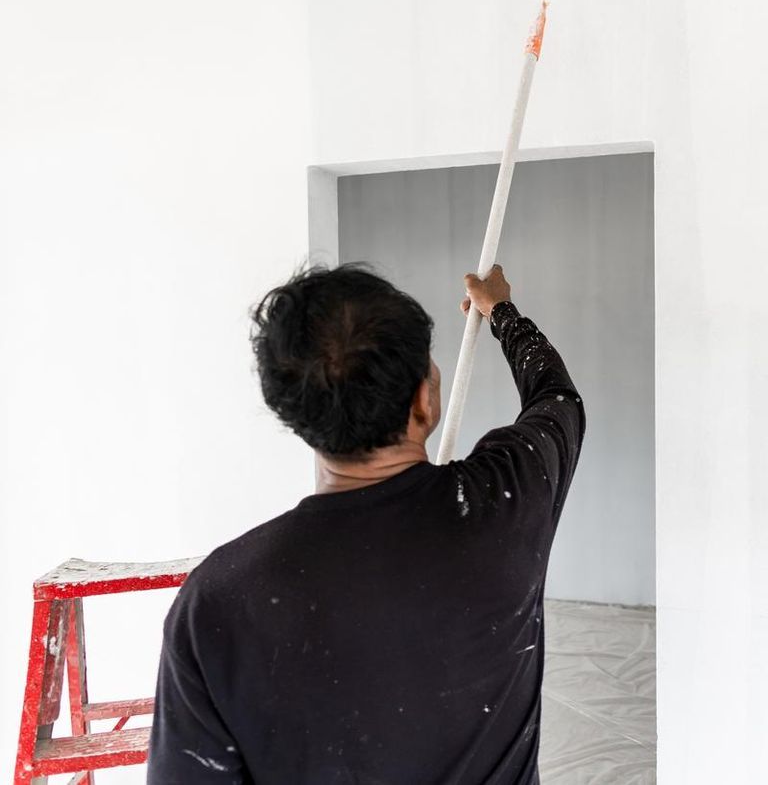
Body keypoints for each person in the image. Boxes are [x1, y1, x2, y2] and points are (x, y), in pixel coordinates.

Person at [147, 264, 584, 783]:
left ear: (295, 415)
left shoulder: (218, 600)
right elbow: (557, 398)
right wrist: (501, 312)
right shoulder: (508, 499)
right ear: (423, 402)